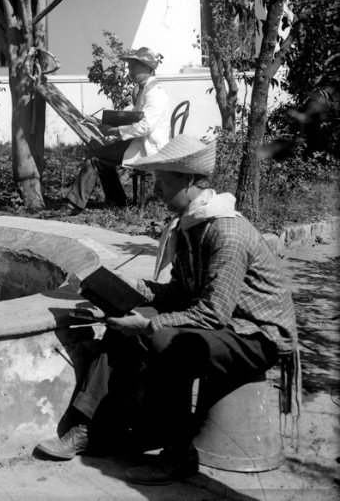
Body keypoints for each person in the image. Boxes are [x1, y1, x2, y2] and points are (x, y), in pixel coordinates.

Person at [36, 135, 298, 485]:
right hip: (228, 323)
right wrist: (125, 292)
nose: (157, 189)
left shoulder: (226, 232)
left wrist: (149, 323)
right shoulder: (192, 224)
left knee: (166, 343)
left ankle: (178, 456)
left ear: (189, 182)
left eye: (163, 181)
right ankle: (91, 429)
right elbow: (180, 291)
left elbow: (212, 313)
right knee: (122, 324)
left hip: (257, 334)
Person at [65, 47, 171, 211]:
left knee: (95, 158)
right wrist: (100, 121)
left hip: (148, 148)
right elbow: (134, 114)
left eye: (134, 66)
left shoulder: (155, 93)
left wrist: (114, 131)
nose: (130, 70)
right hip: (140, 142)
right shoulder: (145, 89)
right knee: (101, 155)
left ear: (148, 68)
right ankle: (117, 201)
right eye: (129, 66)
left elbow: (145, 126)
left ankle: (73, 205)